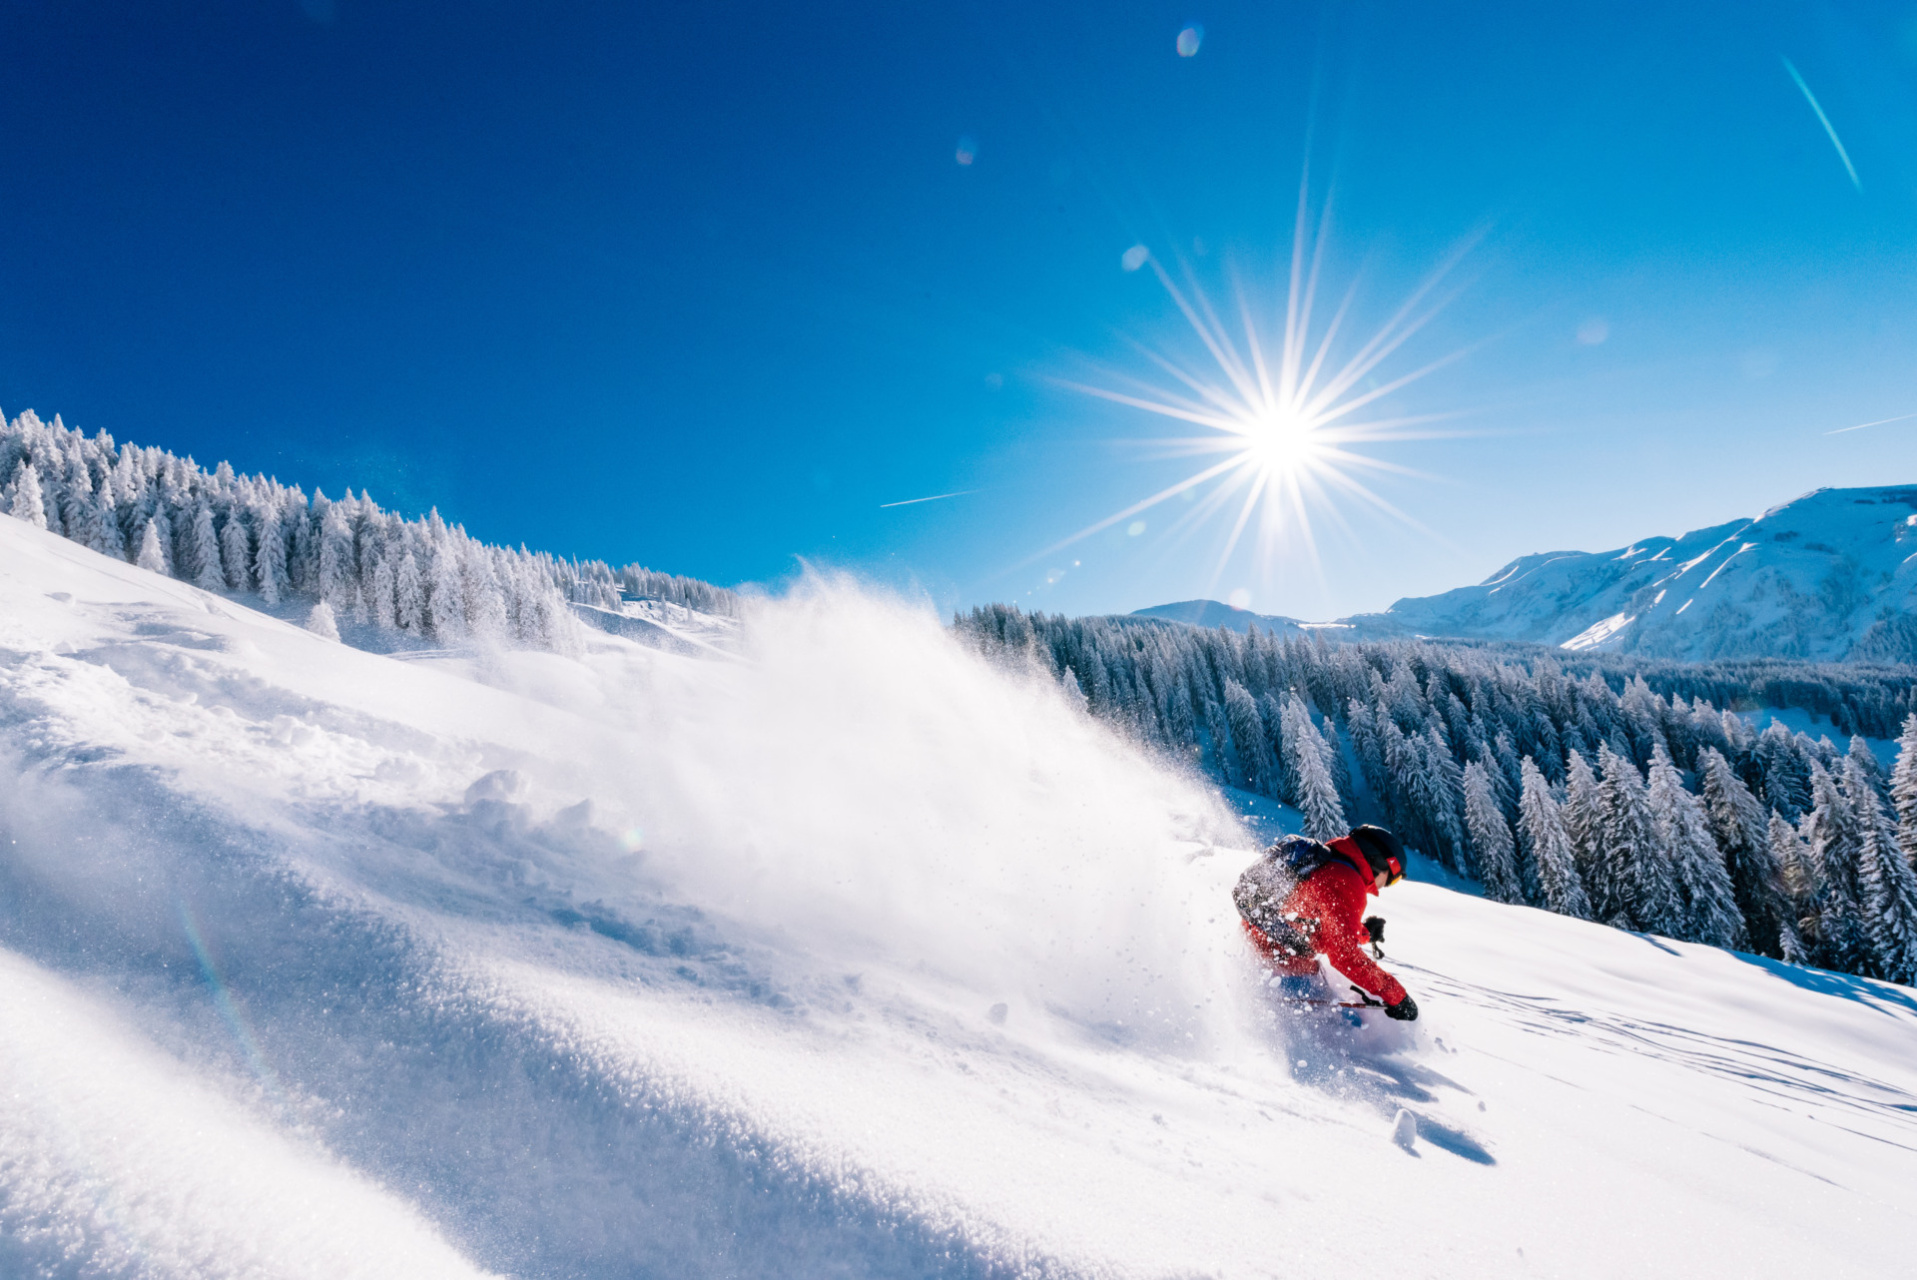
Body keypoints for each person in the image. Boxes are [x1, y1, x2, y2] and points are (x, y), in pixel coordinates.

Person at [1232, 824, 1419, 1022]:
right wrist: (1396, 996)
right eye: (1392, 879)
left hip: (1265, 943)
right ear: (1379, 862)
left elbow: (1323, 929)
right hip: (1283, 963)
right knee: (1348, 1027)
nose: (1386, 886)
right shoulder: (1346, 880)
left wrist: (1364, 933)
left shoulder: (1331, 862)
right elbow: (1344, 955)